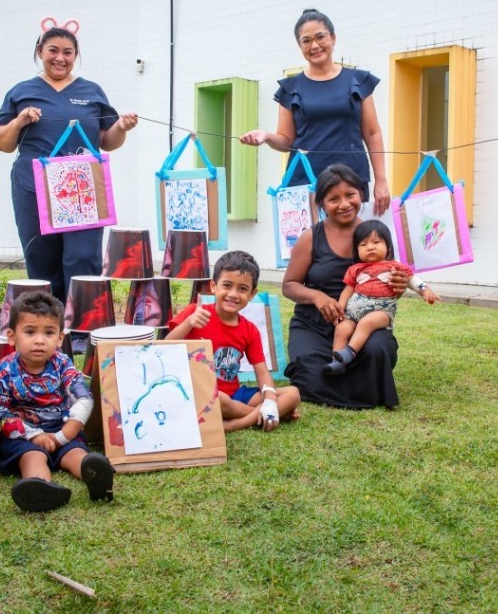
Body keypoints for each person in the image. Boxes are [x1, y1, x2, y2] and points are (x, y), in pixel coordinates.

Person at [0, 23, 138, 304]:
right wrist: (19, 121)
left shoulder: (92, 91)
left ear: (76, 55)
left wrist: (121, 126)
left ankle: (83, 324)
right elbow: (0, 142)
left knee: (83, 257)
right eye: (53, 51)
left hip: (83, 187)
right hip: (33, 186)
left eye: (68, 52)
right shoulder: (22, 91)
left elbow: (108, 141)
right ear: (39, 51)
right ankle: (49, 322)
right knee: (41, 256)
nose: (60, 58)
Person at [240, 8, 391, 216]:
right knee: (306, 246)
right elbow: (285, 140)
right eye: (306, 40)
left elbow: (373, 133)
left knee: (350, 246)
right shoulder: (290, 88)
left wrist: (381, 180)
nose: (315, 45)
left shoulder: (357, 81)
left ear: (333, 38)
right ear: (299, 45)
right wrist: (266, 136)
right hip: (305, 185)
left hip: (350, 183)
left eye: (320, 37)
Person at [283, 165, 409, 408]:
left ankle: (347, 376)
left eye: (350, 195)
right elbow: (289, 285)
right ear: (320, 203)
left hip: (361, 325)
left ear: (361, 193)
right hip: (314, 326)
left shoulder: (375, 235)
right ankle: (364, 387)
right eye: (333, 199)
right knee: (306, 368)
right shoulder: (311, 237)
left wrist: (400, 285)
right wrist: (317, 297)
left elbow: (390, 282)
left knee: (378, 351)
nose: (343, 204)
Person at [0, 291, 114, 512]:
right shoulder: (3, 370)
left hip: (63, 429)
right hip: (24, 435)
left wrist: (62, 436)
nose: (39, 340)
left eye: (49, 332)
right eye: (30, 332)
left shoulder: (62, 364)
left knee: (76, 454)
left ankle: (95, 476)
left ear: (59, 338)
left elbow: (83, 398)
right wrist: (34, 435)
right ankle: (40, 487)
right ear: (12, 336)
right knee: (32, 456)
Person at [166, 251, 301, 432]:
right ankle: (259, 416)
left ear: (252, 294)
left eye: (242, 289)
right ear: (213, 286)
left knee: (292, 394)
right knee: (220, 398)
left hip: (236, 395)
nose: (233, 294)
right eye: (227, 285)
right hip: (202, 394)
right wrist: (188, 323)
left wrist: (269, 400)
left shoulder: (249, 329)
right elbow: (164, 347)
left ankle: (240, 421)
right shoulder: (195, 313)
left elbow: (262, 373)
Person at [324, 220, 440, 376]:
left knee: (367, 323)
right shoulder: (355, 269)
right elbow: (347, 290)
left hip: (382, 312)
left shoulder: (395, 266)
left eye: (376, 242)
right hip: (353, 314)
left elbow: (412, 280)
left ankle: (349, 353)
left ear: (388, 246)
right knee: (341, 328)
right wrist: (339, 309)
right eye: (363, 245)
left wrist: (425, 291)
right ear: (356, 250)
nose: (370, 247)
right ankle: (336, 363)